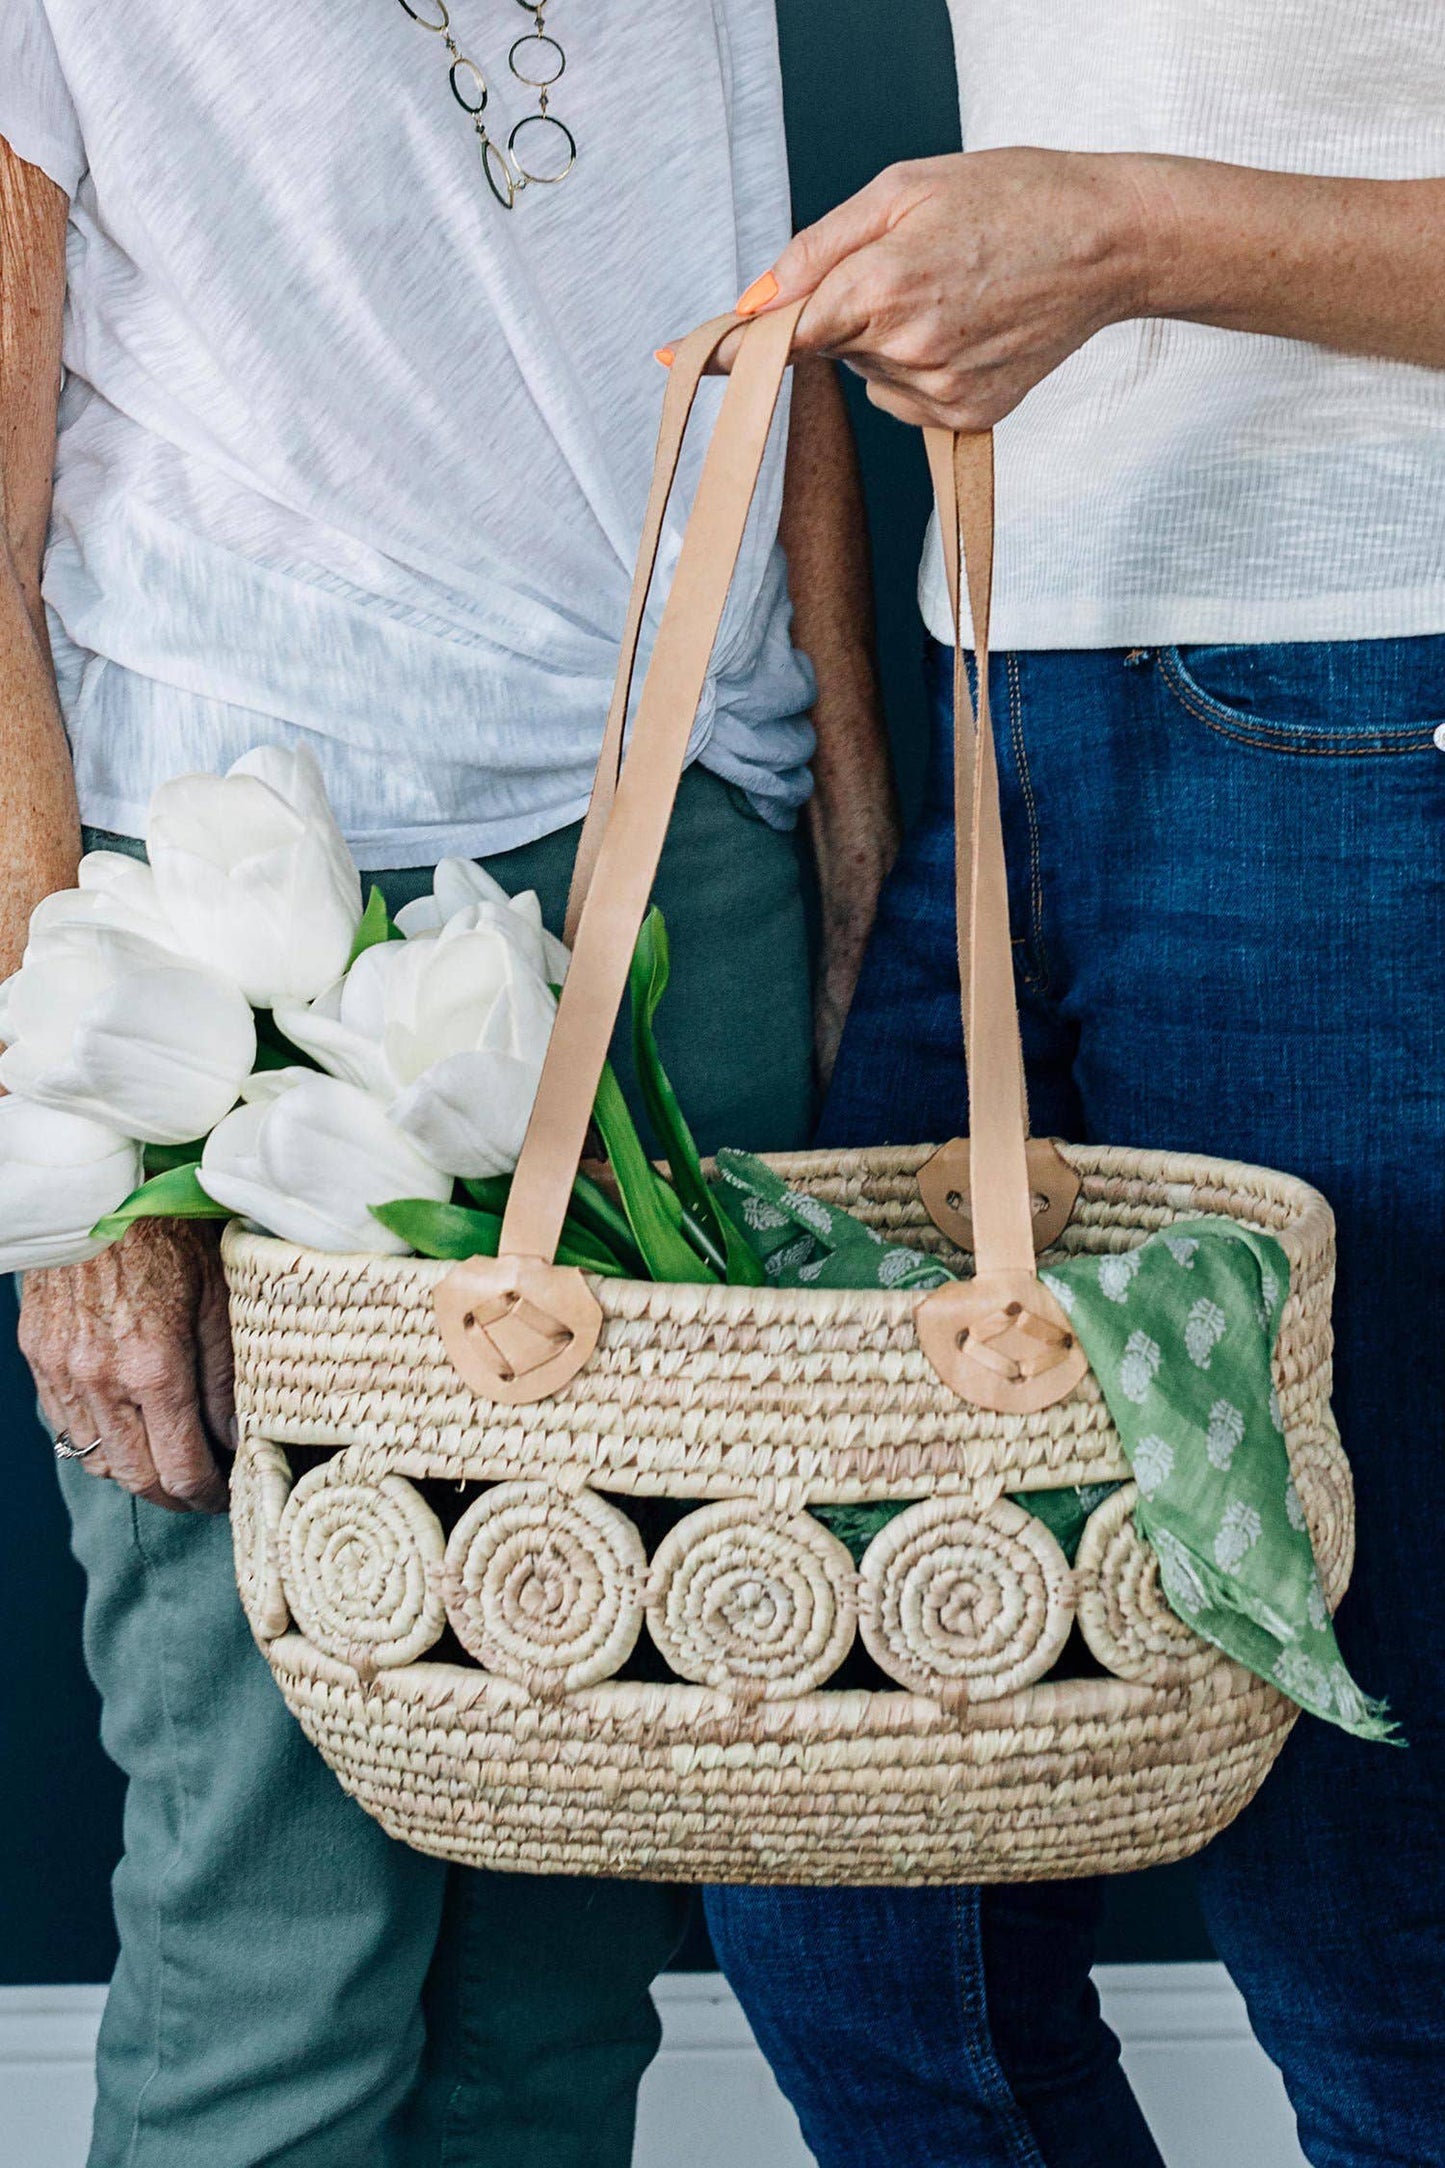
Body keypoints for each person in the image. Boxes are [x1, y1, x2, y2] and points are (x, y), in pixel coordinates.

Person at [0, 6, 896, 2163]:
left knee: (573, 1930)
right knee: (277, 1935)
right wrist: (73, 1117)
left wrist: (848, 793)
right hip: (254, 918)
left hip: (686, 870)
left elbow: (754, 294)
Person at [697, 7, 1445, 2166]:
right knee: (843, 1818)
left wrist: (1118, 236)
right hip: (1009, 700)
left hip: (1366, 702)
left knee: (1366, 1863)